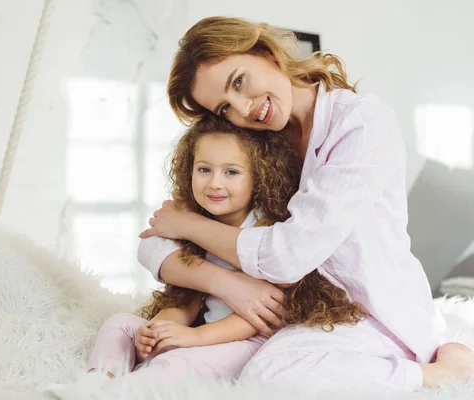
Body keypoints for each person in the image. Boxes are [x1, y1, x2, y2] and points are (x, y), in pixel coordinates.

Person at [137, 16, 474, 391]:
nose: (243, 109)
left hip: (373, 314)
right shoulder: (254, 144)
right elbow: (155, 238)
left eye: (238, 82)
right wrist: (225, 283)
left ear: (265, 51)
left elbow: (286, 257)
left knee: (269, 375)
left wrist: (188, 226)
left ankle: (440, 373)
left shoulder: (363, 125)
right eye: (223, 108)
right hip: (303, 315)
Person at [86, 115, 366, 389]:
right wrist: (160, 328)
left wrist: (193, 338)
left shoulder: (266, 231)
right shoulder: (197, 224)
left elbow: (259, 316)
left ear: (259, 176)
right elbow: (187, 297)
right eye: (204, 169)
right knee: (120, 325)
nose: (215, 183)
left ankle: (116, 395)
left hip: (248, 342)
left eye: (231, 172)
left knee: (175, 364)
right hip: (200, 335)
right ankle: (93, 385)